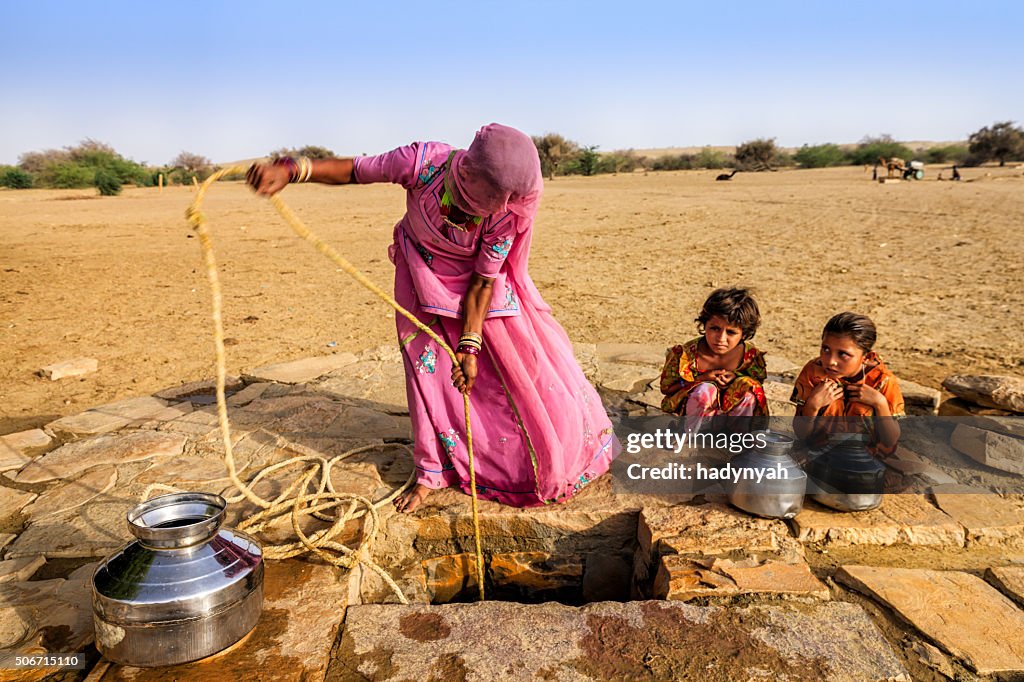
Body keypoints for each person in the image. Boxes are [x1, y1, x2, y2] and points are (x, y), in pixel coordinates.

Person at [246, 124, 619, 512]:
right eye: (490, 196)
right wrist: (292, 171)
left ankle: (522, 464)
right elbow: (357, 170)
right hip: (420, 279)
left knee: (517, 372)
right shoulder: (423, 164)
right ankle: (433, 471)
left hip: (480, 292)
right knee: (428, 373)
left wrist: (469, 347)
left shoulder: (506, 214)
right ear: (468, 173)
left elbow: (482, 281)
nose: (498, 204)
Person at [790, 312, 904, 454]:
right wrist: (812, 406)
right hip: (820, 456)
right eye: (826, 349)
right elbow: (801, 434)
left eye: (843, 354)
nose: (831, 361)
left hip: (867, 461)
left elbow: (889, 441)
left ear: (867, 357)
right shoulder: (814, 372)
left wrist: (879, 403)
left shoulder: (882, 381)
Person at [659, 287, 768, 432]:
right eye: (715, 328)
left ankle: (737, 439)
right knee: (705, 391)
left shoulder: (751, 357)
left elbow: (757, 385)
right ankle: (688, 436)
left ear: (744, 333)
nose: (721, 339)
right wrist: (701, 379)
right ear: (705, 325)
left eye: (731, 332)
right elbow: (667, 389)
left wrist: (737, 377)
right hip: (696, 419)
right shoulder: (685, 356)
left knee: (749, 393)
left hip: (731, 419)